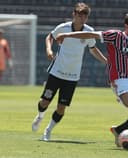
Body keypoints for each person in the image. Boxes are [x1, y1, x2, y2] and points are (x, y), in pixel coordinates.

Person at [55, 12, 128, 147]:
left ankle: (118, 130)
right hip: (120, 80)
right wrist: (67, 35)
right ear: (126, 26)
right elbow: (91, 35)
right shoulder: (116, 35)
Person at [31, 2, 107, 141]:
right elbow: (50, 37)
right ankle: (40, 116)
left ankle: (47, 131)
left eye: (85, 16)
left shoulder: (88, 31)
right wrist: (49, 49)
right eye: (79, 15)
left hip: (72, 76)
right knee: (44, 102)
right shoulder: (63, 27)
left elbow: (93, 49)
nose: (82, 18)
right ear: (74, 14)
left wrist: (106, 61)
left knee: (61, 108)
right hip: (57, 71)